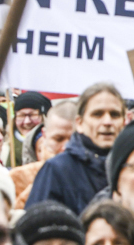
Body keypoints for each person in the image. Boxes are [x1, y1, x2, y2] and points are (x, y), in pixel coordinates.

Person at [28, 82, 128, 213]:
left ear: (124, 121)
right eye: (97, 114)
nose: (107, 122)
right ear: (79, 123)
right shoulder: (57, 170)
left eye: (114, 114)